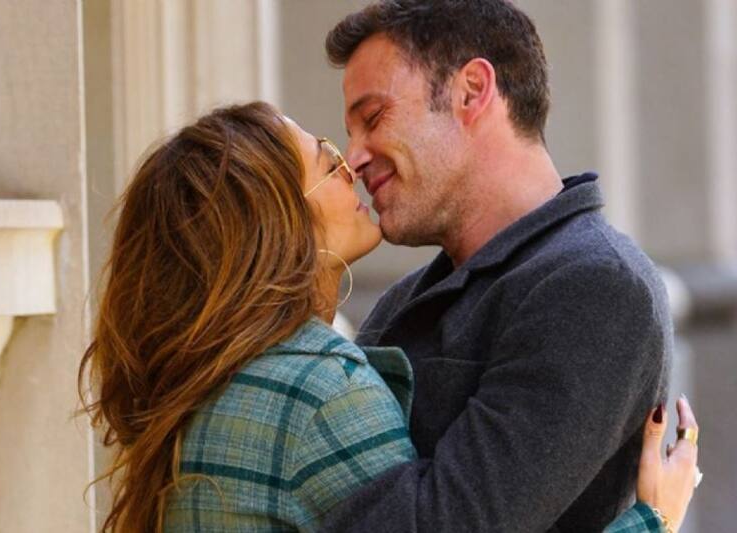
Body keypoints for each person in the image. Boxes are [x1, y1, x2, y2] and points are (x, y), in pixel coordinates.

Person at [79, 102, 697, 533]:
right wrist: (653, 520)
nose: (349, 164)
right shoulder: (320, 392)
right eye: (325, 159)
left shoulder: (215, 379)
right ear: (276, 220)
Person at [318, 0, 686, 531]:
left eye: (373, 118)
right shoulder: (404, 298)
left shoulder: (596, 287)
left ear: (472, 91)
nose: (353, 158)